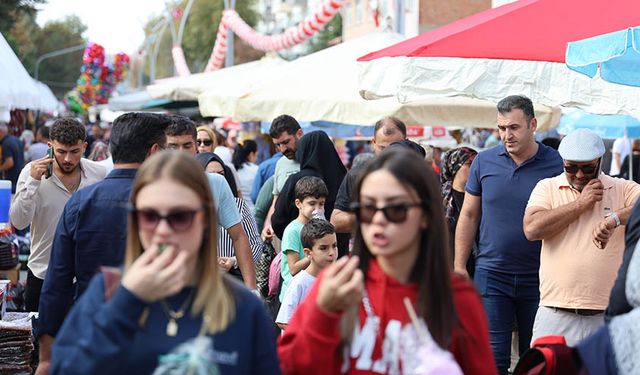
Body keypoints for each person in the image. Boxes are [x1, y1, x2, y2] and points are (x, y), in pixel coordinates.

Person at [50, 151, 280, 374]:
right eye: (149, 216)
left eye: (179, 217)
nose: (163, 231)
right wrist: (126, 302)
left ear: (205, 222)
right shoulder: (108, 292)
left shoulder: (242, 308)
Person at [278, 148, 496, 374]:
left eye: (396, 209)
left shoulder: (455, 297)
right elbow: (289, 366)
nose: (379, 219)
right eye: (368, 208)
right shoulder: (337, 285)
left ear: (424, 215)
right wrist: (322, 313)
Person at [35, 113, 172, 375]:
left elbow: (57, 283)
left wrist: (46, 357)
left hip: (92, 335)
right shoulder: (171, 206)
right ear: (154, 152)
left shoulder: (80, 202)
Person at [454, 95, 563, 374]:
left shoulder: (557, 164)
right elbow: (468, 215)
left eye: (513, 127)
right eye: (501, 128)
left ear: (533, 124)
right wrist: (459, 265)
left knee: (536, 359)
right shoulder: (484, 162)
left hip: (542, 275)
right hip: (492, 273)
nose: (506, 135)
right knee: (492, 360)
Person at [523, 128, 640, 346]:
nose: (579, 175)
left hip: (607, 315)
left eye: (587, 168)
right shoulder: (547, 187)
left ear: (600, 162)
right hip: (556, 311)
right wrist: (580, 203)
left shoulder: (621, 188)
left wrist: (614, 218)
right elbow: (531, 229)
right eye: (571, 168)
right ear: (563, 163)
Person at [10, 117, 106, 312]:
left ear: (85, 147)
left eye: (75, 152)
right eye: (61, 152)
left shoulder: (99, 174)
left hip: (87, 277)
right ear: (50, 146)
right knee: (38, 340)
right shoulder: (31, 172)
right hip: (43, 275)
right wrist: (33, 182)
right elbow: (19, 222)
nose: (68, 159)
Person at [165, 116, 257, 290]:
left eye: (187, 145)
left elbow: (239, 236)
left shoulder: (216, 183)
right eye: (173, 146)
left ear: (195, 148)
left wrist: (252, 290)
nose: (181, 152)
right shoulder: (152, 186)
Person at [271, 131, 348, 256]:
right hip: (338, 255)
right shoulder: (344, 178)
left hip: (304, 257)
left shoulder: (297, 180)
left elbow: (278, 220)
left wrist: (295, 239)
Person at [331, 117, 406, 234]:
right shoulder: (357, 174)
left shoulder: (416, 175)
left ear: (406, 142)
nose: (388, 153)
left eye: (394, 147)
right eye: (382, 148)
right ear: (374, 143)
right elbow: (336, 221)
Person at [196, 152, 263, 281]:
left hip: (233, 279)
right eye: (210, 175)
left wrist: (233, 261)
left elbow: (255, 246)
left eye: (221, 174)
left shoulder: (239, 206)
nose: (216, 179)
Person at [276, 218, 337, 330]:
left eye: (334, 246)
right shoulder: (299, 283)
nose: (332, 253)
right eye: (324, 248)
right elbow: (284, 321)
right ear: (308, 253)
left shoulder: (334, 280)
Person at [280, 176, 328, 302]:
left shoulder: (321, 227)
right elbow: (293, 269)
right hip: (294, 296)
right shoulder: (293, 230)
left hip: (313, 292)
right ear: (298, 204)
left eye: (321, 204)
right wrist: (313, 255)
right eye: (312, 203)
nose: (317, 209)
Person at [262, 115, 304, 242]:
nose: (282, 149)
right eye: (278, 145)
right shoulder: (281, 163)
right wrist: (268, 225)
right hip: (283, 238)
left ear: (300, 134)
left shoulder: (312, 159)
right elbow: (276, 200)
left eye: (286, 142)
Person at [440, 147, 478, 277]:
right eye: (469, 164)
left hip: (478, 268)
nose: (475, 168)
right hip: (447, 269)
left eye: (477, 163)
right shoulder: (441, 200)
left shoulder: (481, 196)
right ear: (454, 168)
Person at [232, 139, 259, 210]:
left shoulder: (233, 169)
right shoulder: (256, 170)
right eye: (256, 154)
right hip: (253, 210)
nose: (257, 158)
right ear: (251, 154)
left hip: (237, 211)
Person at [0, 121, 25, 193]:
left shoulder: (5, 143)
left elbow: (9, 163)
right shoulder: (16, 139)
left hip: (11, 179)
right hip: (20, 176)